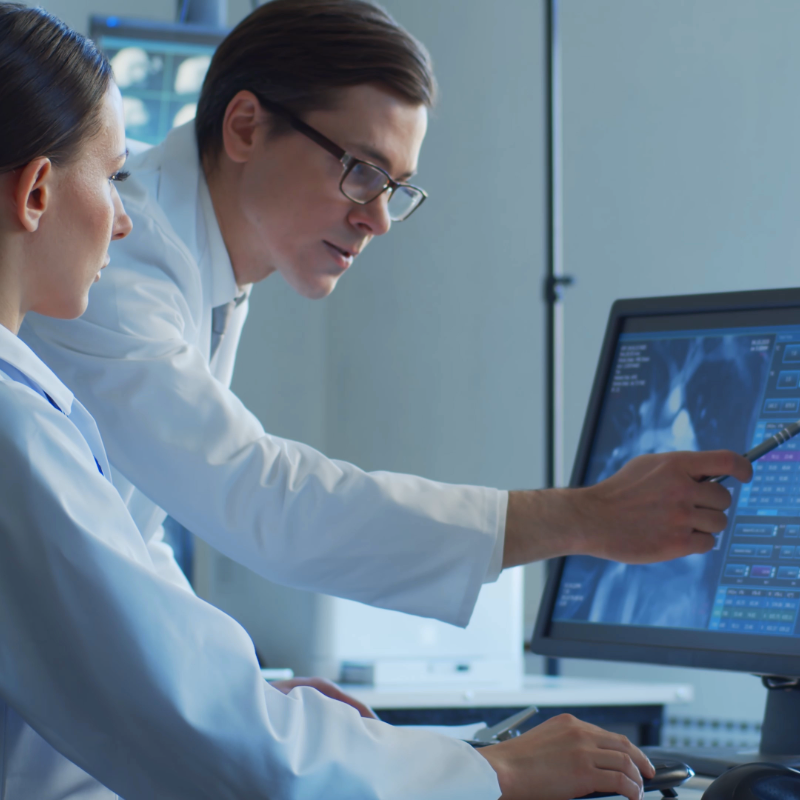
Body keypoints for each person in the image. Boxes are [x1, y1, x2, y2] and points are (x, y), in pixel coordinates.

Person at [0, 5, 680, 799]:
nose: (379, 218)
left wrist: (245, 689)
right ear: (246, 125)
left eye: (397, 186)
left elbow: (122, 539)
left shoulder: (195, 276)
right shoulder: (121, 277)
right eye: (361, 170)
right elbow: (257, 497)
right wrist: (580, 519)